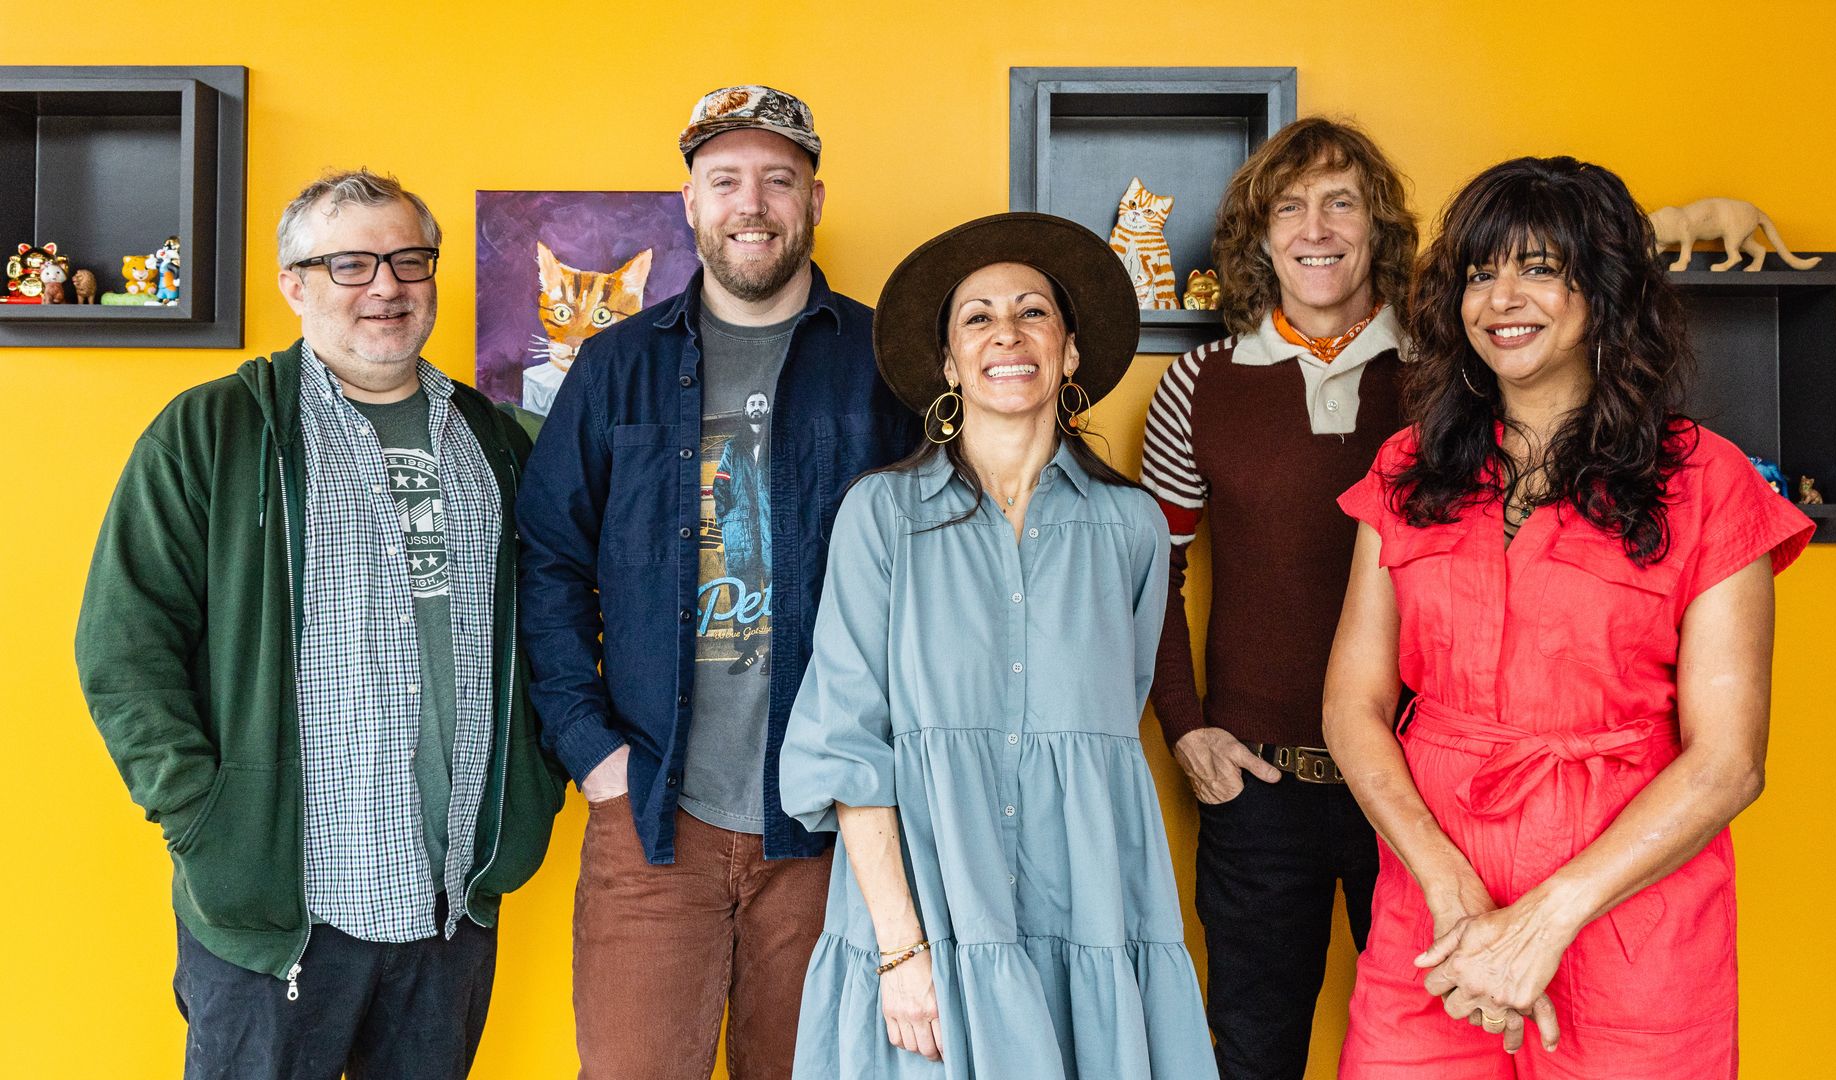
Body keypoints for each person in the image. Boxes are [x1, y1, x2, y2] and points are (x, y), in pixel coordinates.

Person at [1324, 156, 1814, 1077]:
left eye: (1540, 267)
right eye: (1479, 272)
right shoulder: (1405, 469)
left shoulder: (1711, 482)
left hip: (1633, 923)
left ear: (1607, 288)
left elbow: (1729, 761)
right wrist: (1450, 889)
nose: (1501, 297)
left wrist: (1540, 924)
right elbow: (1352, 707)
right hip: (1433, 917)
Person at [75, 170, 566, 1080]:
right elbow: (123, 646)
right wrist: (202, 817)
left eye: (407, 260)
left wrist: (535, 785)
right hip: (278, 909)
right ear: (293, 284)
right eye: (349, 263)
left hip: (449, 897)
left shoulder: (500, 443)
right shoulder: (213, 432)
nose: (386, 285)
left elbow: (555, 628)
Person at [515, 84, 917, 1080]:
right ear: (689, 203)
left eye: (778, 180)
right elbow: (548, 559)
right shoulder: (613, 370)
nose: (752, 203)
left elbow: (942, 564)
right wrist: (590, 750)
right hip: (652, 819)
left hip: (829, 833)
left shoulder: (886, 365)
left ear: (814, 200)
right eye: (725, 179)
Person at [780, 212, 1218, 1079]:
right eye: (976, 317)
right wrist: (902, 952)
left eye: (1033, 313)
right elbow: (848, 743)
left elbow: (1113, 712)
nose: (1006, 334)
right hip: (927, 904)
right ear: (948, 363)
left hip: (1087, 897)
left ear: (1071, 351)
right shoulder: (882, 516)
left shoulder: (1131, 525)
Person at [1139, 116, 1418, 1079]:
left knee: (1439, 1044)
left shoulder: (1451, 379)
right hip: (1260, 787)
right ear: (1260, 237)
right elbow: (1153, 577)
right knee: (1253, 1054)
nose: (1316, 226)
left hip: (1425, 783)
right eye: (1289, 206)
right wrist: (1185, 727)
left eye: (1341, 201)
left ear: (1377, 227)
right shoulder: (1198, 383)